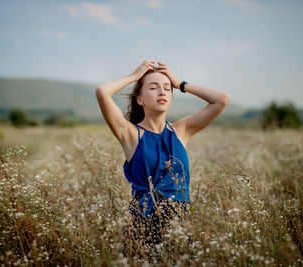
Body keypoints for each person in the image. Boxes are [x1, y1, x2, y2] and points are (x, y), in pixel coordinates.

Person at [95, 59, 229, 262]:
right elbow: (102, 92)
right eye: (154, 87)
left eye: (167, 89)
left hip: (180, 223)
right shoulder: (130, 134)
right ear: (140, 100)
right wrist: (134, 76)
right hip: (143, 224)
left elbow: (221, 100)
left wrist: (180, 84)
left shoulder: (181, 130)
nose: (162, 92)